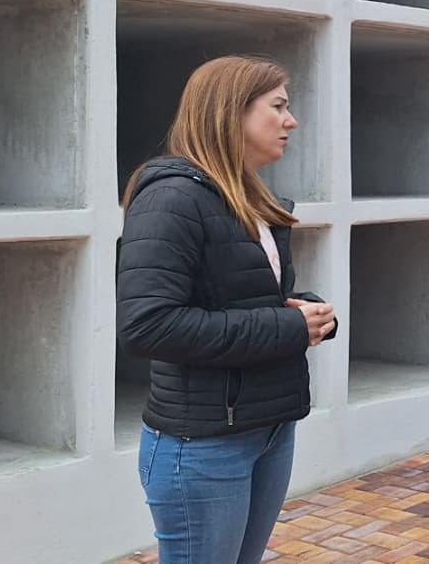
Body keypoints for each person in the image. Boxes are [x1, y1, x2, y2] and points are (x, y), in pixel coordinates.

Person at [117, 55, 337, 564]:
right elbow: (146, 326)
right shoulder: (171, 198)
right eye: (279, 106)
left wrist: (309, 315)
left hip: (268, 429)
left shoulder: (251, 198)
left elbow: (245, 302)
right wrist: (285, 325)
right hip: (202, 446)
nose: (292, 121)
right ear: (230, 111)